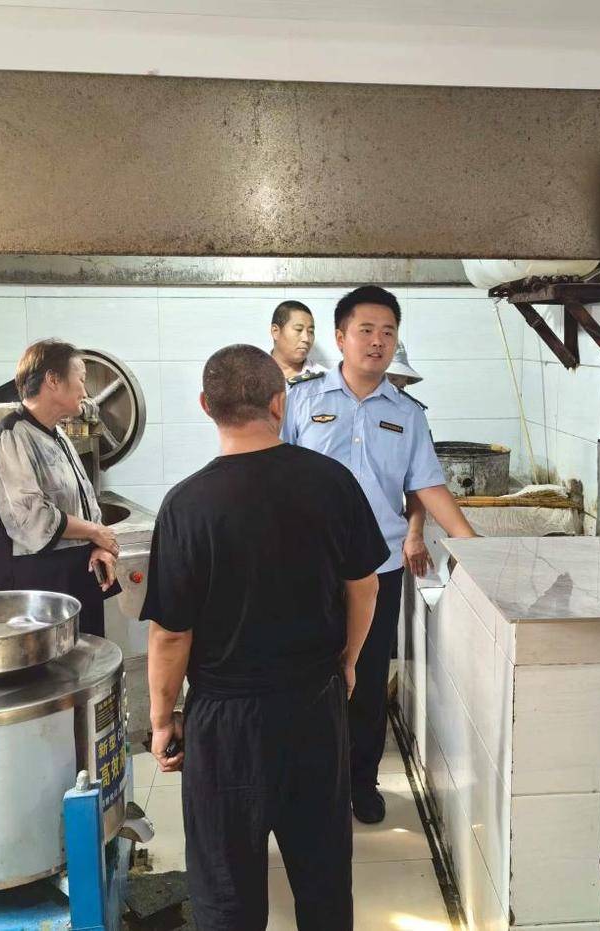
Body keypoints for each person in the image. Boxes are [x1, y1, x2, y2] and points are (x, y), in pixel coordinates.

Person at [144, 344, 385, 931]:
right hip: (313, 706)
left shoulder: (186, 506)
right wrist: (348, 661)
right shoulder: (331, 482)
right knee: (323, 879)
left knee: (227, 892)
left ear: (206, 407)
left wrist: (162, 720)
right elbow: (364, 586)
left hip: (224, 722)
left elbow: (171, 635)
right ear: (280, 404)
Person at [283, 285, 477, 823]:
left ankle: (361, 783)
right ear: (341, 337)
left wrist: (474, 547)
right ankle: (310, 788)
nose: (377, 341)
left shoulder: (408, 414)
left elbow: (428, 484)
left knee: (368, 681)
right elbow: (274, 471)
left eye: (387, 332)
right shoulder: (301, 400)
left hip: (379, 569)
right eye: (365, 330)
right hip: (311, 569)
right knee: (307, 679)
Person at [0, 339, 121, 636]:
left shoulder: (57, 435)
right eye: (81, 379)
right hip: (36, 593)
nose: (85, 391)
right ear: (53, 380)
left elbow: (86, 500)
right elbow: (31, 519)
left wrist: (100, 547)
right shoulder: (11, 436)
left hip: (73, 580)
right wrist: (94, 532)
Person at [385, 343, 433, 578]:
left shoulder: (411, 415)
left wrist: (415, 534)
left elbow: (420, 484)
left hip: (385, 549)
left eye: (400, 386)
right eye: (391, 380)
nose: (395, 392)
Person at [270, 299, 324, 384]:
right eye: (298, 329)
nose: (306, 338)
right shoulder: (252, 372)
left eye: (310, 331)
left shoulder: (324, 379)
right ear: (275, 331)